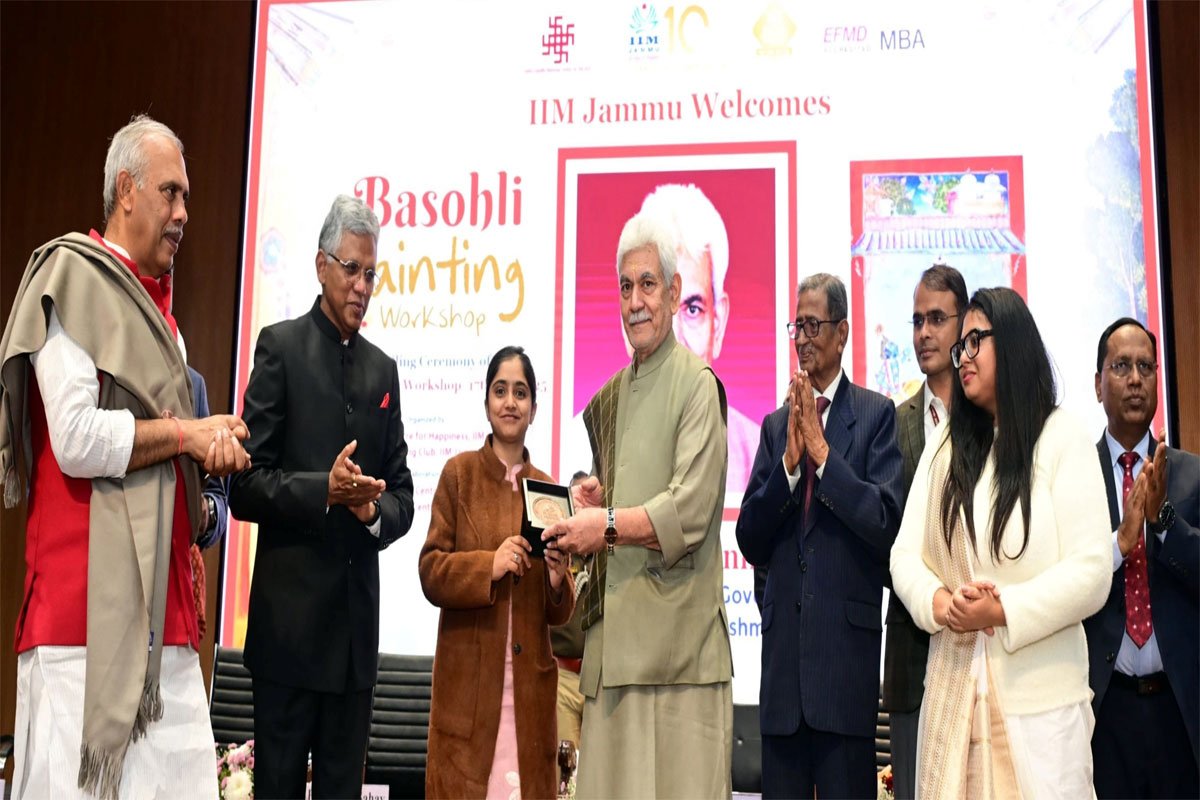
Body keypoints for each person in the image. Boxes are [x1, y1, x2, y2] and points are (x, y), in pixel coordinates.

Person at [0, 114, 251, 799]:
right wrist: (186, 436)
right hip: (81, 627)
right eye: (171, 193)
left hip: (165, 626)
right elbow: (77, 440)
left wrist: (205, 460)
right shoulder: (71, 279)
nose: (183, 214)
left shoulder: (165, 323)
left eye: (187, 197)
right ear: (126, 191)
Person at [889, 287, 1111, 799]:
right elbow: (904, 555)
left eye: (975, 342)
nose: (962, 358)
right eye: (960, 347)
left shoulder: (1061, 437)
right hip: (956, 703)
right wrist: (940, 604)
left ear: (1010, 343)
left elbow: (1093, 570)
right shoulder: (946, 448)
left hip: (1043, 712)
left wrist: (1002, 609)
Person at [228, 194, 415, 799]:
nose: (362, 286)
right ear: (320, 266)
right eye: (351, 269)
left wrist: (370, 511)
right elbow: (244, 485)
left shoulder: (383, 371)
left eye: (371, 274)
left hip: (354, 650)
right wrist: (324, 492)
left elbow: (403, 496)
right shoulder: (279, 348)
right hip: (287, 642)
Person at [544, 211, 732, 798]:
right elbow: (623, 499)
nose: (635, 302)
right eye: (625, 287)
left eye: (647, 284)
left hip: (680, 662)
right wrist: (598, 499)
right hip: (613, 658)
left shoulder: (698, 384)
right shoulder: (611, 396)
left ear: (674, 293)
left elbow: (689, 512)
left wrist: (603, 523)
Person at [735, 273, 903, 799]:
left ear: (842, 332)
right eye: (797, 327)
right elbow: (750, 539)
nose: (803, 339)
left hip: (844, 679)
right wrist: (788, 468)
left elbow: (884, 524)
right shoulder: (773, 427)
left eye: (813, 326)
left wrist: (825, 457)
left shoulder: (876, 416)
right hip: (783, 683)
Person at [419, 346, 574, 799]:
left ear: (534, 409)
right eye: (500, 391)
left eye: (520, 393)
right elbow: (431, 571)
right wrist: (489, 564)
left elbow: (559, 613)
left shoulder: (549, 490)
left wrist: (557, 579)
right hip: (468, 698)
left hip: (528, 701)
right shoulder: (458, 475)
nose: (510, 402)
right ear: (486, 402)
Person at [1083, 318, 1199, 799]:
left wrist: (1163, 520)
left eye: (1146, 367)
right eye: (1121, 367)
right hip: (1104, 711)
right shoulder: (1075, 477)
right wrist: (1120, 540)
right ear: (1098, 384)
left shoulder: (1190, 475)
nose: (1135, 379)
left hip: (1179, 711)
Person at [883, 264, 968, 800]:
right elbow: (885, 539)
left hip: (987, 651)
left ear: (965, 325)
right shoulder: (891, 424)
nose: (924, 333)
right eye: (917, 321)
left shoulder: (992, 418)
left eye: (937, 319)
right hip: (913, 658)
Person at [638, 183, 759, 495]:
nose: (675, 339)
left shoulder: (757, 452)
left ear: (718, 324)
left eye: (692, 309)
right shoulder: (593, 436)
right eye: (661, 308)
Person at [550, 470, 591, 753]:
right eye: (577, 504)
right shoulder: (556, 554)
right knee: (565, 772)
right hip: (562, 680)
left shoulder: (610, 554)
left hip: (601, 685)